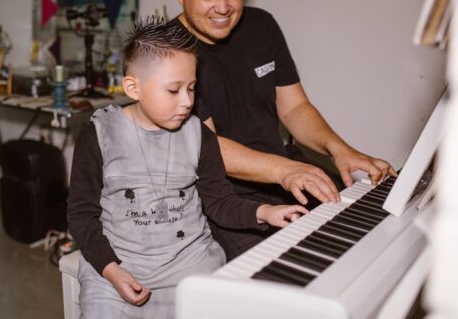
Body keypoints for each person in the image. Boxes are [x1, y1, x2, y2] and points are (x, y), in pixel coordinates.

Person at [171, 0, 397, 260]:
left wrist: (340, 150)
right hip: (224, 200)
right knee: (279, 281)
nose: (222, 8)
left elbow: (294, 109)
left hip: (287, 176)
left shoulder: (262, 25)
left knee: (370, 236)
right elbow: (207, 147)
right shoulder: (167, 51)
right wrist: (285, 170)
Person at [67, 17, 307, 318]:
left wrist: (265, 213)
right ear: (133, 87)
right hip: (119, 266)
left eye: (192, 88)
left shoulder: (199, 136)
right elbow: (81, 215)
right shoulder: (99, 135)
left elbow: (220, 203)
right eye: (173, 90)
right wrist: (111, 270)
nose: (187, 102)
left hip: (190, 266)